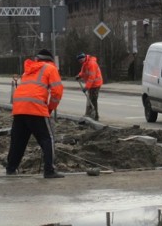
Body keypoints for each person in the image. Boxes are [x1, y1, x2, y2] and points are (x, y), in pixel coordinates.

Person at [6, 49, 64, 178]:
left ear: (37, 59)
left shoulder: (28, 70)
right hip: (36, 108)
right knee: (47, 139)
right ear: (50, 60)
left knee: (18, 141)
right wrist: (49, 108)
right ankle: (49, 170)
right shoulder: (50, 68)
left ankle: (10, 169)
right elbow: (57, 92)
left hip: (19, 108)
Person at [75, 52, 103, 120]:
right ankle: (89, 114)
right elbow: (83, 72)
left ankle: (95, 116)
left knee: (93, 100)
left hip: (96, 84)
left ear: (84, 58)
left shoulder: (91, 64)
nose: (80, 62)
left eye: (81, 60)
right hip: (91, 84)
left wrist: (86, 87)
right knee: (89, 100)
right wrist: (79, 76)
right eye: (79, 61)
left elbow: (91, 77)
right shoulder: (85, 63)